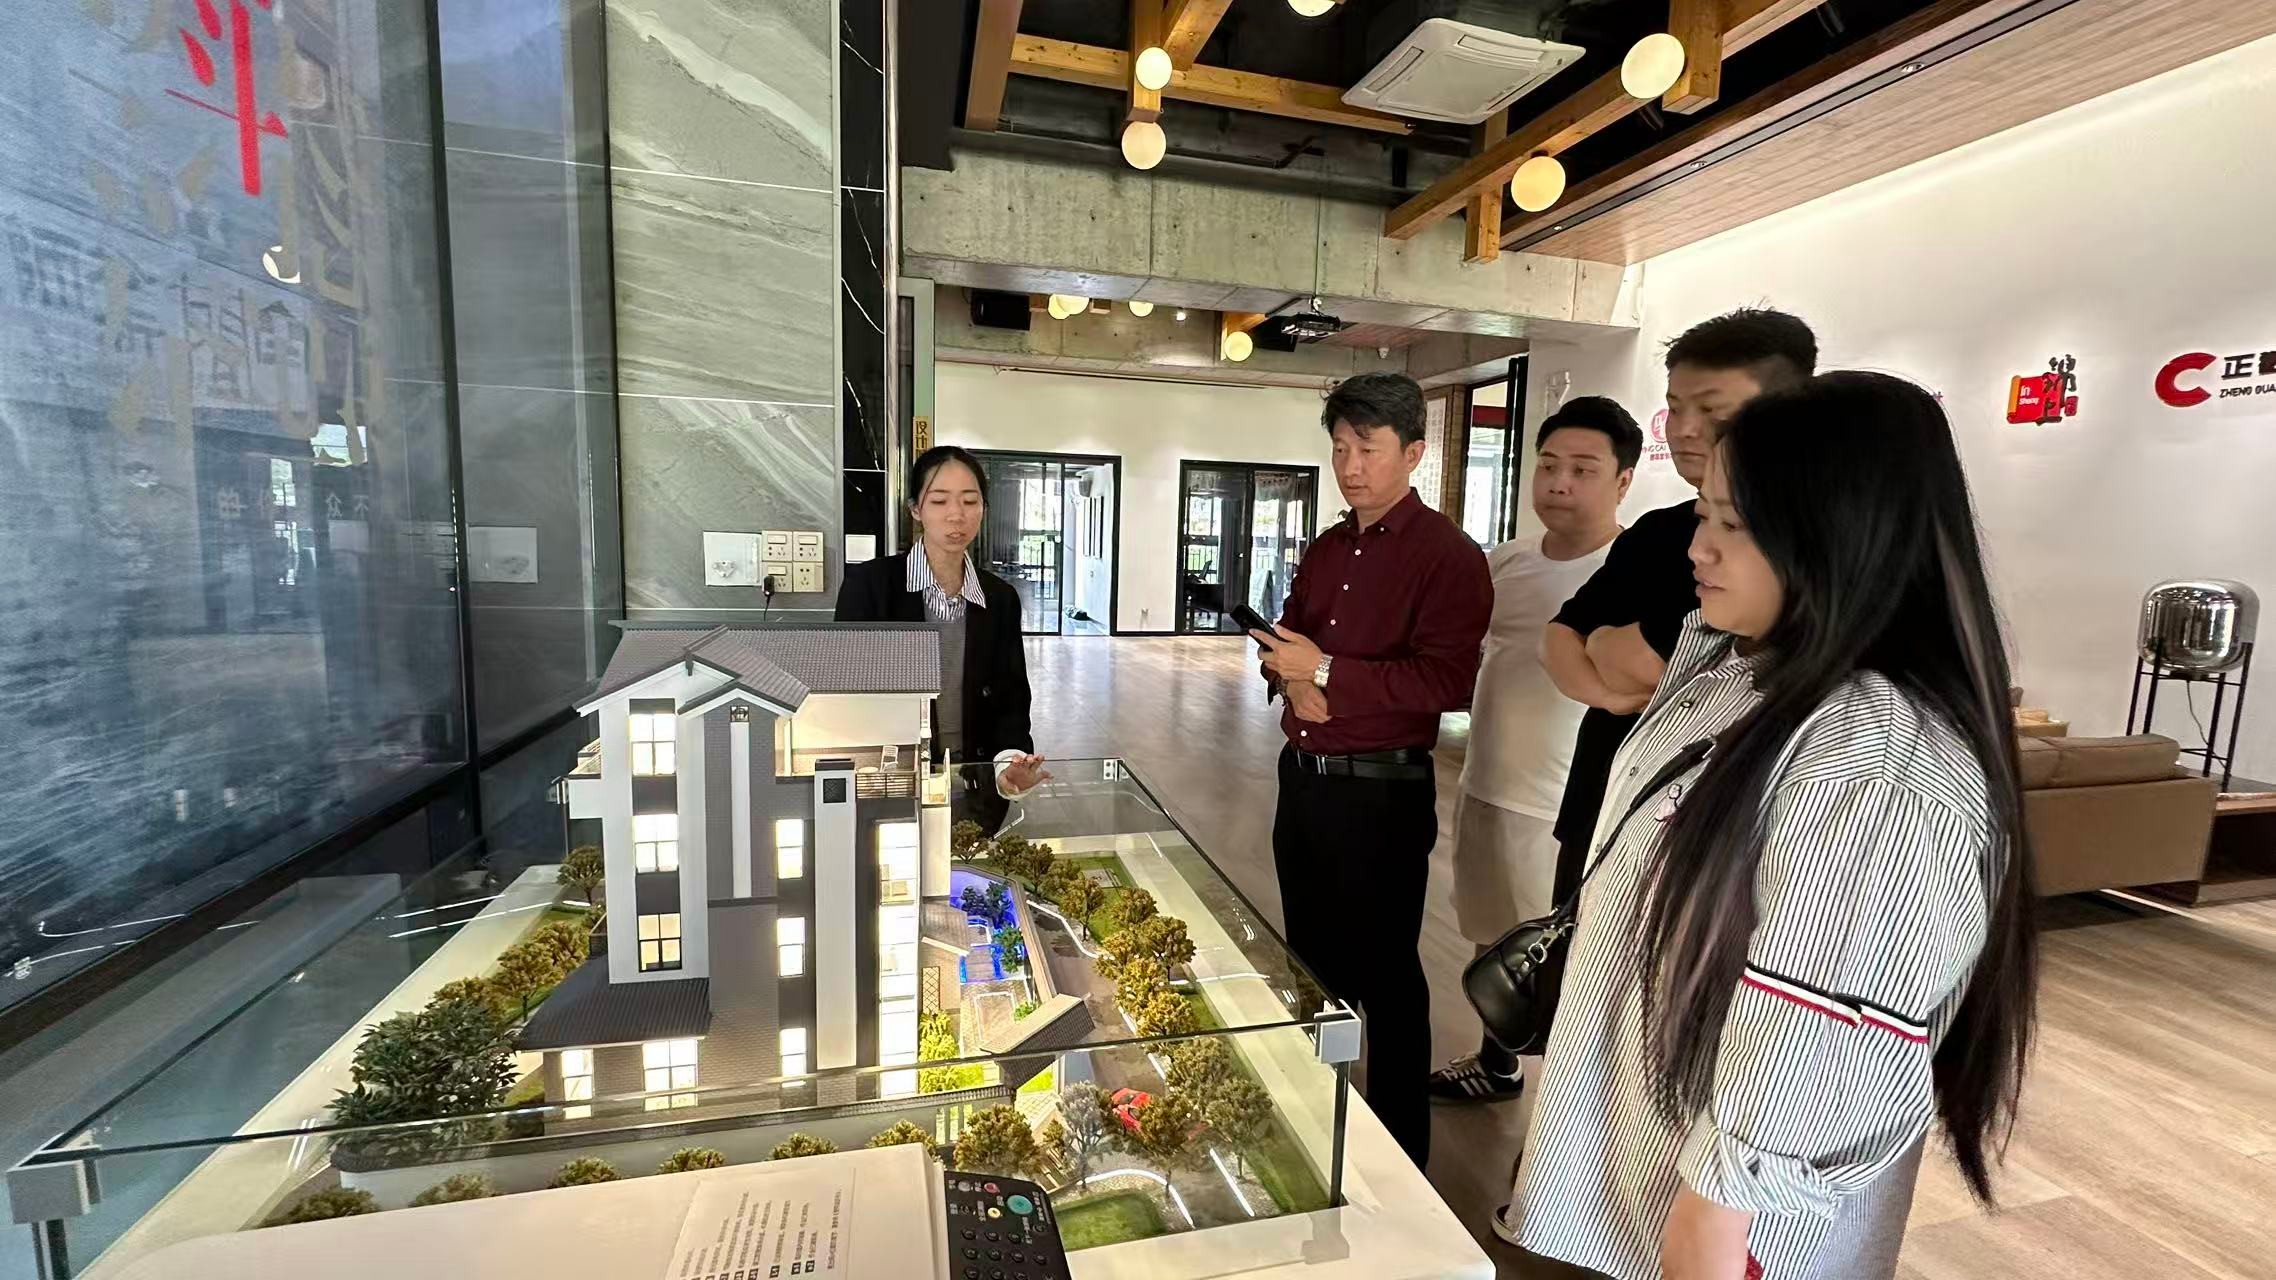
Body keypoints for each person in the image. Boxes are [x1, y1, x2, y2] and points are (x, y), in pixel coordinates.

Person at [1503, 372, 2040, 1280]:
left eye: (1736, 524)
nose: (1699, 548)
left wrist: (1716, 1217)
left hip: (1721, 1226)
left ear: (1842, 533)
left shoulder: (1875, 755)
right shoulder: (1741, 669)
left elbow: (1820, 1029)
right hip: (1627, 1168)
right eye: (1704, 515)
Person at [1252, 372, 1492, 1167]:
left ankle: (1400, 1152)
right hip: (1304, 781)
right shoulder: (1327, 548)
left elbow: (1446, 681)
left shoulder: (1449, 557)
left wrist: (1325, 674)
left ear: (1414, 453)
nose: (1350, 467)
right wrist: (1290, 678)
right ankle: (1319, 1123)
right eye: (1339, 449)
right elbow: (1288, 640)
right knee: (1310, 963)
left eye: (1368, 449)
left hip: (1383, 795)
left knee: (1387, 975)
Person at [1540, 309, 1818, 911]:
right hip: (1602, 799)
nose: (1685, 430)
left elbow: (1645, 661)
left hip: (1694, 833)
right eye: (1675, 407)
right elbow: (1561, 637)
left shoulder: (1799, 554)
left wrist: (1605, 647)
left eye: (1713, 409)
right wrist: (1611, 692)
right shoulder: (1658, 532)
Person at [1429, 396, 1642, 1106]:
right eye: (1548, 466)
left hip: (1564, 809)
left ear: (1623, 481)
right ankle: (1498, 1066)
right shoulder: (1505, 562)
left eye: (1583, 469)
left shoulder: (1634, 569)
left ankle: (1571, 1117)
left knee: (1565, 962)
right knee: (1492, 939)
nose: (1560, 483)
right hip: (1487, 782)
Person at [836, 446, 1049, 827]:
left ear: (983, 508)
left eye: (970, 501)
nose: (956, 515)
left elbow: (1011, 698)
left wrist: (1008, 765)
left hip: (976, 788)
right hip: (893, 787)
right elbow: (848, 698)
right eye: (939, 501)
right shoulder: (869, 587)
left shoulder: (1000, 598)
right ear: (915, 509)